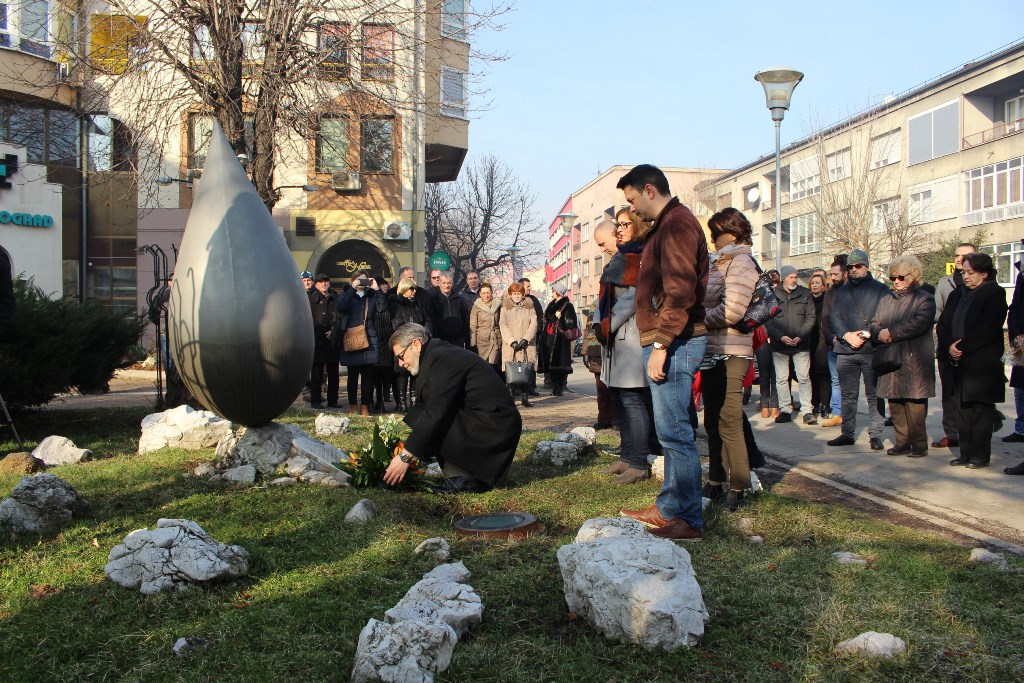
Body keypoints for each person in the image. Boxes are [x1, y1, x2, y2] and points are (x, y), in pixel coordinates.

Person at [615, 164, 708, 541]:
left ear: (649, 189)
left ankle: (685, 518)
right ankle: (670, 506)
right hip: (671, 339)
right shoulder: (668, 225)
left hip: (676, 341)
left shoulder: (677, 224)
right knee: (671, 430)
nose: (632, 209)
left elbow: (681, 291)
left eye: (633, 199)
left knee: (675, 433)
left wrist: (661, 345)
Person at [382, 323, 522, 494]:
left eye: (401, 356)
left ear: (416, 344)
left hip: (495, 428)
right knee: (418, 413)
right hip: (483, 421)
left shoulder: (442, 357)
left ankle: (468, 478)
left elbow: (436, 411)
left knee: (424, 415)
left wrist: (405, 456)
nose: (401, 363)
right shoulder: (435, 355)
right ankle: (460, 473)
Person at [701, 208, 758, 509]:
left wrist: (698, 319)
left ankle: (738, 486)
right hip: (711, 349)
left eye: (716, 233)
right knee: (712, 419)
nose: (712, 239)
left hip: (733, 350)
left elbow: (733, 312)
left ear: (733, 234)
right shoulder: (717, 262)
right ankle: (715, 480)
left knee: (730, 419)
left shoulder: (742, 262)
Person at [596, 211, 658, 484]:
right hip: (616, 340)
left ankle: (638, 462)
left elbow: (634, 296)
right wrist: (600, 323)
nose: (619, 230)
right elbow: (605, 299)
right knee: (621, 399)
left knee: (633, 400)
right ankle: (626, 457)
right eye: (618, 225)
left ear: (639, 225)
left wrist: (607, 323)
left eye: (624, 224)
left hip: (631, 337)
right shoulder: (622, 257)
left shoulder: (642, 256)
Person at [937, 253, 1008, 469]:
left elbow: (989, 327)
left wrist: (962, 347)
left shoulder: (994, 292)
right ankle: (965, 453)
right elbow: (943, 323)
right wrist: (950, 344)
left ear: (984, 274)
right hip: (957, 362)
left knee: (980, 411)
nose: (965, 277)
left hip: (981, 364)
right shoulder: (958, 293)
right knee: (961, 409)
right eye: (963, 272)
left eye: (970, 273)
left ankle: (980, 455)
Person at [870, 255, 935, 457]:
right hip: (891, 357)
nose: (896, 281)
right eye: (893, 278)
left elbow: (919, 323)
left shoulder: (924, 298)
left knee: (914, 402)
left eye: (900, 277)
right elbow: (875, 322)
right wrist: (878, 332)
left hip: (914, 357)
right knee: (895, 402)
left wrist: (891, 333)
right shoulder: (886, 300)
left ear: (913, 276)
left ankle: (919, 444)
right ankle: (902, 441)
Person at [828, 248, 888, 450]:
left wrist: (862, 334)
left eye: (858, 266)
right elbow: (834, 316)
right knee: (848, 394)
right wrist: (846, 335)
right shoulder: (841, 291)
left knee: (874, 394)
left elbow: (883, 316)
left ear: (867, 266)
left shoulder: (880, 289)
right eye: (850, 267)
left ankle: (876, 434)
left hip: (870, 349)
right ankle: (847, 432)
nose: (854, 270)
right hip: (845, 350)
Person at [932, 243, 977, 449]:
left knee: (971, 393)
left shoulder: (984, 283)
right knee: (949, 392)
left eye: (965, 255)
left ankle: (973, 434)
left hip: (972, 348)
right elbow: (936, 312)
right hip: (946, 345)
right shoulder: (945, 283)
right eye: (957, 255)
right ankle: (951, 433)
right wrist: (951, 325)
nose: (959, 259)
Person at [765, 265, 815, 424]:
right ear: (784, 278)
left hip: (801, 344)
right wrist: (781, 337)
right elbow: (768, 320)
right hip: (780, 345)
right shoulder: (773, 295)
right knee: (781, 379)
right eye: (791, 277)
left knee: (804, 377)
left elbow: (811, 318)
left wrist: (800, 336)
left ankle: (807, 410)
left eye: (795, 276)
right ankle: (785, 409)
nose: (794, 280)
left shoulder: (805, 294)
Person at [335, 271, 386, 416]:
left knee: (367, 377)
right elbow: (340, 307)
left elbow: (382, 309)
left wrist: (377, 289)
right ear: (353, 280)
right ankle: (352, 406)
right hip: (352, 338)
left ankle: (364, 406)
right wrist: (352, 288)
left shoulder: (371, 296)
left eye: (365, 280)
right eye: (359, 280)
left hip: (369, 338)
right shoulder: (347, 294)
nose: (362, 283)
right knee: (352, 376)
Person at [590, 222, 619, 430]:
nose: (602, 249)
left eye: (602, 243)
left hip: (621, 334)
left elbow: (626, 301)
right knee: (604, 385)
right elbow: (601, 304)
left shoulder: (627, 262)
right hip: (607, 335)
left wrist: (608, 325)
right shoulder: (611, 266)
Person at [389, 277, 432, 412]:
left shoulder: (417, 303)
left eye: (415, 288)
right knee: (402, 373)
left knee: (415, 372)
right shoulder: (395, 303)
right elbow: (397, 323)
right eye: (411, 289)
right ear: (404, 289)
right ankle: (401, 403)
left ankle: (414, 401)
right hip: (403, 343)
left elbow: (427, 319)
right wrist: (411, 335)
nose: (414, 291)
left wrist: (426, 334)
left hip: (418, 343)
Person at [820, 255, 848, 427]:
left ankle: (876, 417)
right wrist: (832, 337)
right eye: (831, 274)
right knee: (836, 380)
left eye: (835, 274)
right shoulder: (830, 294)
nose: (832, 278)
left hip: (853, 344)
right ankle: (837, 413)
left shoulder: (853, 292)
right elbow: (825, 317)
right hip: (834, 344)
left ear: (845, 274)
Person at [499, 282, 538, 407]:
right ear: (510, 294)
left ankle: (525, 398)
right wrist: (512, 341)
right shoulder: (505, 308)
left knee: (525, 373)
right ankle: (510, 398)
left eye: (519, 293)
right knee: (511, 372)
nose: (517, 296)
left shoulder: (529, 307)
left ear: (522, 294)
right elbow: (503, 325)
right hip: (511, 346)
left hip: (527, 345)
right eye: (514, 293)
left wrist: (526, 339)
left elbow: (534, 324)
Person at [1004, 246, 1024, 473]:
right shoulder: (1022, 274)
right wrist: (1017, 335)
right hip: (1021, 343)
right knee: (1020, 388)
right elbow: (1015, 307)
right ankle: (1021, 429)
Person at [308, 273, 339, 409]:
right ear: (316, 284)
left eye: (326, 281)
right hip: (317, 340)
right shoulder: (310, 298)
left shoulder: (335, 297)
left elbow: (340, 317)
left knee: (333, 374)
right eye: (321, 282)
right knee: (317, 374)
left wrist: (334, 331)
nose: (324, 284)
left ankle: (333, 400)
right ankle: (316, 401)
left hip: (332, 341)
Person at [541, 282, 577, 396]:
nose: (552, 292)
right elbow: (546, 318)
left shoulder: (567, 305)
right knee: (550, 364)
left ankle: (560, 387)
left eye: (553, 291)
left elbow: (571, 323)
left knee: (560, 364)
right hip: (550, 336)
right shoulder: (552, 304)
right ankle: (554, 387)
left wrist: (560, 318)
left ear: (558, 292)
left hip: (560, 339)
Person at [756, 270, 781, 418]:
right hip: (762, 340)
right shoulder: (759, 298)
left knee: (775, 375)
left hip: (776, 338)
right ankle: (765, 404)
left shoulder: (778, 298)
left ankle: (775, 405)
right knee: (764, 375)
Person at [370, 275, 396, 413]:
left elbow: (384, 311)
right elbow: (379, 310)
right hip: (375, 342)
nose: (385, 286)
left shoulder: (389, 298)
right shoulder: (371, 297)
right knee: (376, 376)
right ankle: (378, 401)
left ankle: (383, 399)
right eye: (382, 284)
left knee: (386, 374)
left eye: (386, 284)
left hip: (386, 341)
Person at [808, 272, 830, 424]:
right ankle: (814, 404)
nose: (815, 285)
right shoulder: (807, 300)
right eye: (812, 283)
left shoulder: (827, 300)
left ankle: (825, 405)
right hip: (809, 339)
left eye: (817, 283)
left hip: (823, 339)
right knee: (811, 374)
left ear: (823, 285)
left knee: (823, 373)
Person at [469, 282, 502, 375]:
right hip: (482, 340)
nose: (486, 295)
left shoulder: (498, 305)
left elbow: (501, 322)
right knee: (483, 365)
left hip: (495, 338)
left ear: (492, 293)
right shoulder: (476, 306)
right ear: (480, 294)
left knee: (493, 364)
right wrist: (473, 343)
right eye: (483, 293)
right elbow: (473, 326)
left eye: (488, 292)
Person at [431, 272, 469, 347]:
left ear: (452, 283)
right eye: (444, 283)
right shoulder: (433, 300)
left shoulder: (459, 299)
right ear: (439, 283)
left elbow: (465, 319)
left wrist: (465, 338)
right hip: (441, 340)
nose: (446, 286)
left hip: (458, 340)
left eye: (449, 283)